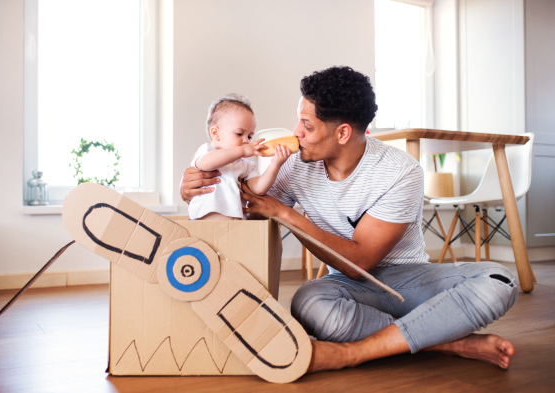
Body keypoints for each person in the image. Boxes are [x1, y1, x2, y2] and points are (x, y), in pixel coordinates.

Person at [181, 66, 517, 372]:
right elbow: (243, 210)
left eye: (307, 125)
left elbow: (359, 263)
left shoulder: (400, 171)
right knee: (309, 302)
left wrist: (285, 213)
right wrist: (194, 186)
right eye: (299, 119)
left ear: (342, 133)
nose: (295, 131)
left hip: (409, 279)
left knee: (499, 282)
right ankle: (448, 341)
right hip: (349, 291)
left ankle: (350, 353)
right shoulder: (295, 165)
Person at [188, 94, 292, 220]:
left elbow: (259, 189)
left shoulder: (246, 165)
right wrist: (242, 151)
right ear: (216, 133)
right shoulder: (206, 151)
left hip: (235, 225)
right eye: (239, 133)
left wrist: (275, 165)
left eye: (249, 136)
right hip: (204, 221)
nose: (246, 141)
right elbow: (206, 164)